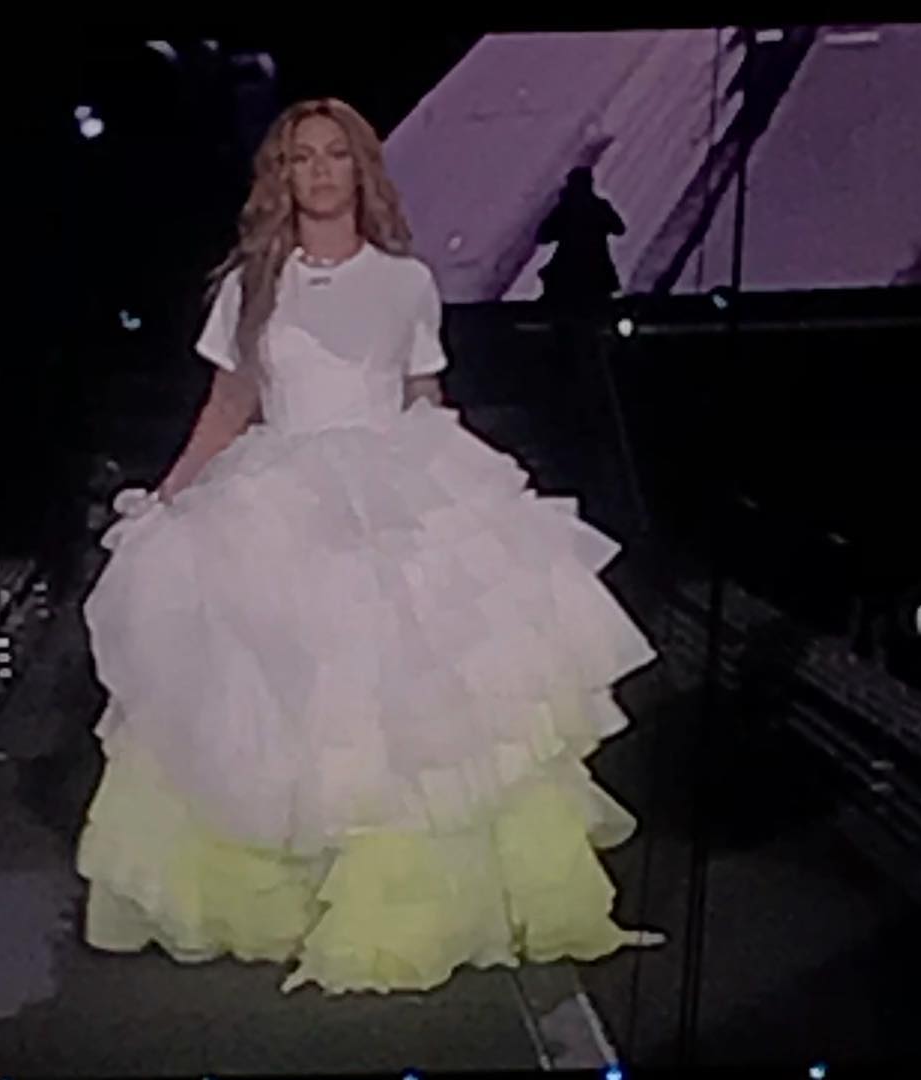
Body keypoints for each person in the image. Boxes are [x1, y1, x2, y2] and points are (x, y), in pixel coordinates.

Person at [75, 98, 663, 996]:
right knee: (289, 694)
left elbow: (425, 398)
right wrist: (164, 500)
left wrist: (462, 494)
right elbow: (228, 407)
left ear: (361, 170)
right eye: (301, 158)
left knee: (416, 703)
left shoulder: (405, 282)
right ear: (281, 177)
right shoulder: (250, 286)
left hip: (394, 490)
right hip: (278, 498)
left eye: (334, 155)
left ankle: (412, 902)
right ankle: (293, 893)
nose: (319, 172)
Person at [537, 165, 626, 313]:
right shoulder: (596, 206)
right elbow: (619, 229)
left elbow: (543, 236)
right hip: (594, 268)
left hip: (572, 269)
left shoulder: (566, 209)